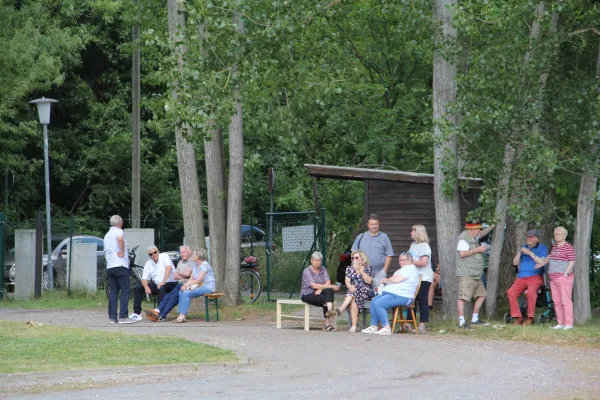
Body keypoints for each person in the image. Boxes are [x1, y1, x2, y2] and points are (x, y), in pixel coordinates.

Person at [522, 226, 576, 330]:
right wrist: (541, 264)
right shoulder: (555, 246)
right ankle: (560, 323)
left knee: (565, 300)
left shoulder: (568, 247)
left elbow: (572, 260)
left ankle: (569, 324)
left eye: (559, 234)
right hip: (553, 277)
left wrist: (566, 273)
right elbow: (549, 257)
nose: (557, 235)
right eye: (556, 234)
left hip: (563, 277)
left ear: (564, 235)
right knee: (556, 300)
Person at [361, 252, 420, 336]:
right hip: (394, 294)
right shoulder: (403, 269)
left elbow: (397, 279)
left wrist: (386, 280)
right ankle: (374, 326)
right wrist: (388, 280)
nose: (401, 262)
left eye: (403, 260)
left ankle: (386, 327)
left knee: (379, 304)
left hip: (403, 296)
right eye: (400, 260)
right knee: (374, 301)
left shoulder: (410, 268)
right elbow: (394, 279)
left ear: (410, 260)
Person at [456, 222, 495, 328]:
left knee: (482, 295)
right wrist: (477, 249)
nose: (479, 231)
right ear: (472, 229)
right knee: (462, 297)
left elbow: (482, 234)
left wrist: (491, 227)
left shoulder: (473, 235)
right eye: (478, 229)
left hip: (476, 274)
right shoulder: (463, 239)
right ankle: (461, 322)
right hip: (466, 274)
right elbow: (462, 254)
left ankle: (475, 319)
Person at [507, 229, 548, 325]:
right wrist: (520, 253)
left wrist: (529, 253)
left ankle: (530, 318)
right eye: (527, 236)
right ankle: (517, 317)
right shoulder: (524, 247)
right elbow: (514, 263)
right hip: (521, 278)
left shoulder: (542, 248)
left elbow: (541, 262)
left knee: (530, 293)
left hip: (535, 277)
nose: (528, 239)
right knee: (511, 292)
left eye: (531, 237)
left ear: (536, 239)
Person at [144, 245, 194, 322]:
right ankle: (157, 311)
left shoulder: (192, 261)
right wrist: (182, 275)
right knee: (168, 296)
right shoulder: (180, 262)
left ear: (189, 252)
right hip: (180, 283)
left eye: (184, 252)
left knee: (173, 297)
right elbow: (175, 276)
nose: (182, 254)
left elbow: (188, 274)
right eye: (181, 253)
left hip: (189, 285)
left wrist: (181, 274)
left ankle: (161, 315)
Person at [103, 215, 136, 324]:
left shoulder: (107, 235)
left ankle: (112, 317)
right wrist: (122, 251)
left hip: (110, 266)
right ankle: (123, 316)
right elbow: (120, 239)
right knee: (125, 291)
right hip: (120, 265)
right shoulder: (119, 231)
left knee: (113, 292)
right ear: (120, 223)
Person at [130, 245, 177, 321]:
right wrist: (146, 287)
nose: (153, 255)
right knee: (139, 287)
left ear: (158, 251)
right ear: (149, 256)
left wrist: (163, 281)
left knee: (162, 287)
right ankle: (137, 313)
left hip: (170, 283)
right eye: (151, 254)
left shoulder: (164, 257)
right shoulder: (148, 263)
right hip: (157, 284)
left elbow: (169, 267)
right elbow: (144, 279)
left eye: (155, 252)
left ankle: (159, 313)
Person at [172, 248, 216, 323]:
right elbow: (191, 278)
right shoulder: (195, 265)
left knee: (186, 293)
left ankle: (182, 315)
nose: (192, 255)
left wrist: (187, 285)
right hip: (199, 286)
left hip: (208, 286)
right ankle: (181, 315)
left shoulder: (204, 265)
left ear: (199, 256)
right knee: (181, 291)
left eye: (193, 254)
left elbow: (199, 279)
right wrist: (185, 285)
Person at [334, 250, 374, 332]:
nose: (354, 259)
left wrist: (360, 270)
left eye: (356, 257)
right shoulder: (349, 268)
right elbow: (347, 281)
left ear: (362, 259)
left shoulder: (368, 268)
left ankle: (342, 309)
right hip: (354, 292)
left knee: (355, 290)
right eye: (352, 258)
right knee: (354, 298)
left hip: (366, 291)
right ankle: (354, 326)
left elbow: (369, 281)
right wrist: (349, 286)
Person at [300, 251, 341, 331]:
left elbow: (327, 281)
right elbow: (313, 285)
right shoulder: (307, 271)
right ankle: (327, 324)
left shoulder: (323, 269)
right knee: (327, 296)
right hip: (308, 293)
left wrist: (320, 289)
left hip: (320, 292)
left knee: (328, 291)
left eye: (319, 260)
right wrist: (331, 286)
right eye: (315, 260)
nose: (317, 262)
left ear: (321, 261)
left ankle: (329, 311)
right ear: (311, 260)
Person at [352, 213, 394, 290]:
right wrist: (357, 267)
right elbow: (354, 253)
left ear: (379, 224)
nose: (374, 226)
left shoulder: (384, 237)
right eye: (372, 224)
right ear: (368, 225)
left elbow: (389, 254)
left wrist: (384, 270)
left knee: (378, 294)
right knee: (361, 294)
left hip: (379, 272)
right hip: (363, 271)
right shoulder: (361, 237)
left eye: (376, 224)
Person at [406, 225, 434, 333]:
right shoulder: (413, 245)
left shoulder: (425, 246)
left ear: (418, 232)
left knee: (422, 299)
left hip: (424, 276)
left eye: (413, 230)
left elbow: (424, 262)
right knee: (412, 299)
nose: (411, 232)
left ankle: (422, 324)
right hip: (414, 276)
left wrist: (410, 263)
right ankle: (409, 323)